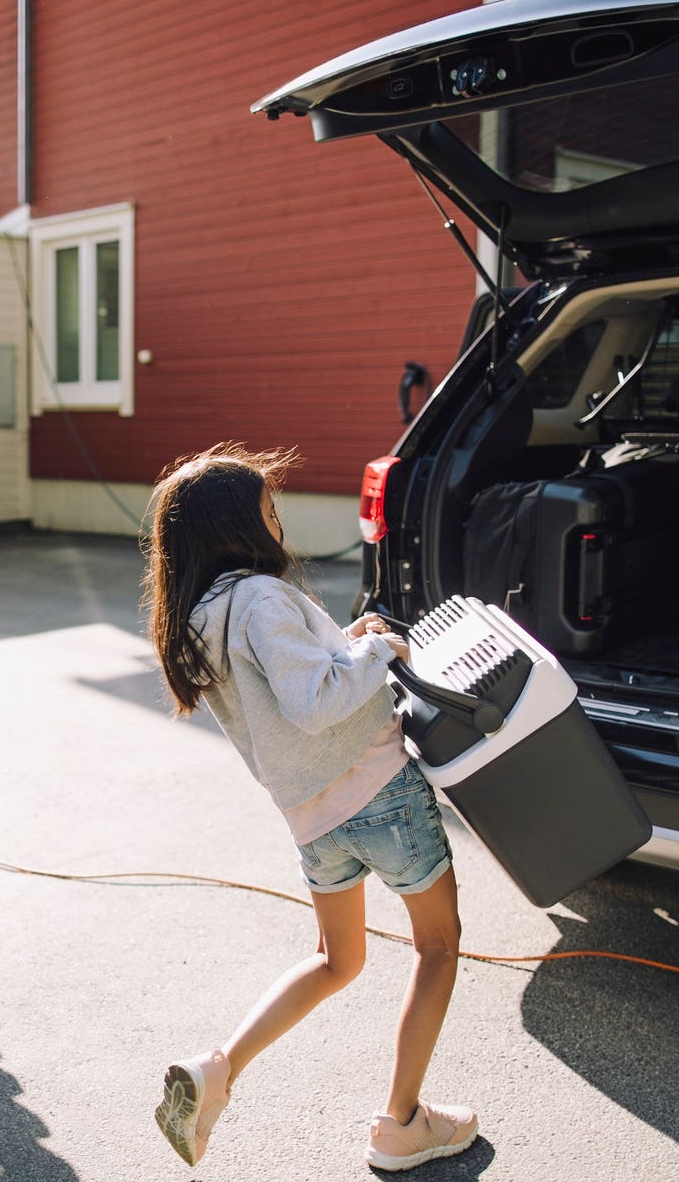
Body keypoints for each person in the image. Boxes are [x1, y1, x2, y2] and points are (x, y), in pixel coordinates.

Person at [142, 442, 477, 1173]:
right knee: (438, 946)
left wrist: (346, 642)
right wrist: (381, 649)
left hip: (313, 820)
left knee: (335, 958)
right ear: (237, 524)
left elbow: (285, 684)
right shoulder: (262, 596)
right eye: (267, 508)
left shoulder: (201, 615)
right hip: (379, 792)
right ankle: (401, 1124)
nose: (276, 520)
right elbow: (317, 700)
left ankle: (219, 1068)